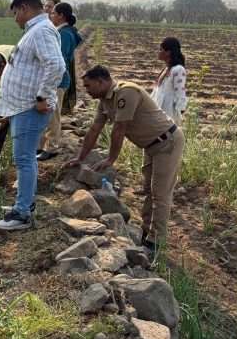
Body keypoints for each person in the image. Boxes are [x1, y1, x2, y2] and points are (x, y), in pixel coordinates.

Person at [66, 65, 185, 252]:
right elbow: (95, 129)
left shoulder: (126, 92)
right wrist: (80, 158)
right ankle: (147, 231)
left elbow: (119, 128)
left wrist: (111, 159)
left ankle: (156, 242)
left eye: (88, 86)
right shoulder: (104, 101)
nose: (86, 91)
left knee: (160, 194)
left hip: (167, 143)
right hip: (151, 146)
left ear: (101, 81)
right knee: (148, 190)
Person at [0, 0, 65, 231]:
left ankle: (22, 214)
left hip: (29, 107)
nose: (14, 18)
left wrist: (42, 96)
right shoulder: (36, 30)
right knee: (25, 159)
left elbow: (56, 64)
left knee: (24, 159)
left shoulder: (42, 30)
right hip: (22, 106)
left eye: (15, 12)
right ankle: (26, 202)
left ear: (24, 8)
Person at [38, 2, 83, 160]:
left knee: (53, 115)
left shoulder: (64, 34)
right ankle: (41, 146)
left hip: (57, 80)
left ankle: (52, 147)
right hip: (55, 80)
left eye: (53, 13)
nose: (51, 15)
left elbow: (59, 60)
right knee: (48, 114)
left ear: (61, 16)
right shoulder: (64, 32)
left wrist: (50, 80)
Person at [151, 37, 188, 126]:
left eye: (161, 49)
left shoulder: (178, 70)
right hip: (159, 112)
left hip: (169, 114)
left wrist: (179, 114)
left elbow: (180, 93)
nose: (158, 52)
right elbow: (157, 92)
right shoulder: (166, 69)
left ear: (168, 52)